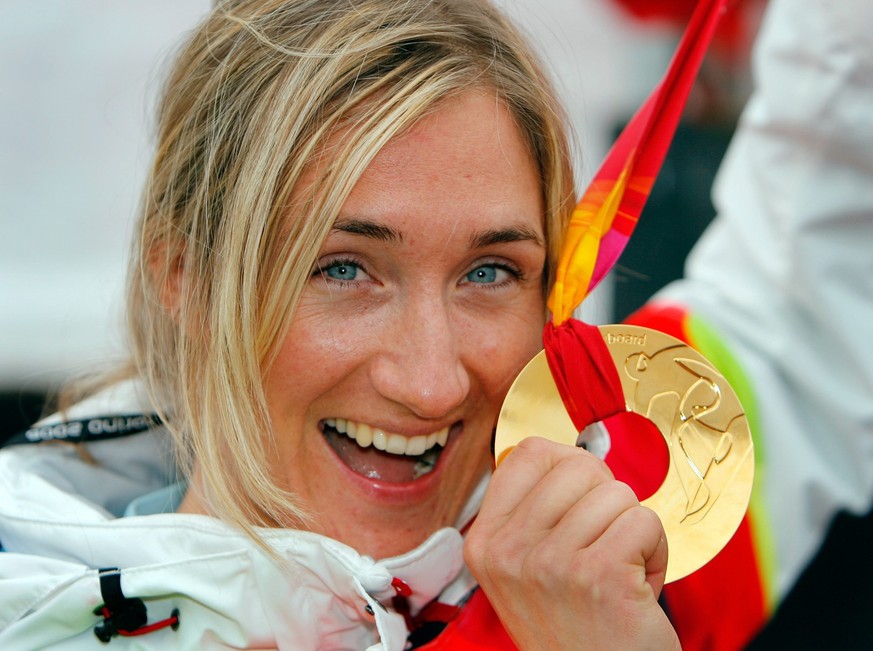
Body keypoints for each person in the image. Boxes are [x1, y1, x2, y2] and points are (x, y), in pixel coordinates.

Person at [0, 0, 679, 649]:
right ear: (186, 276)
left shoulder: (624, 548)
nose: (431, 384)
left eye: (488, 272)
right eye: (344, 269)